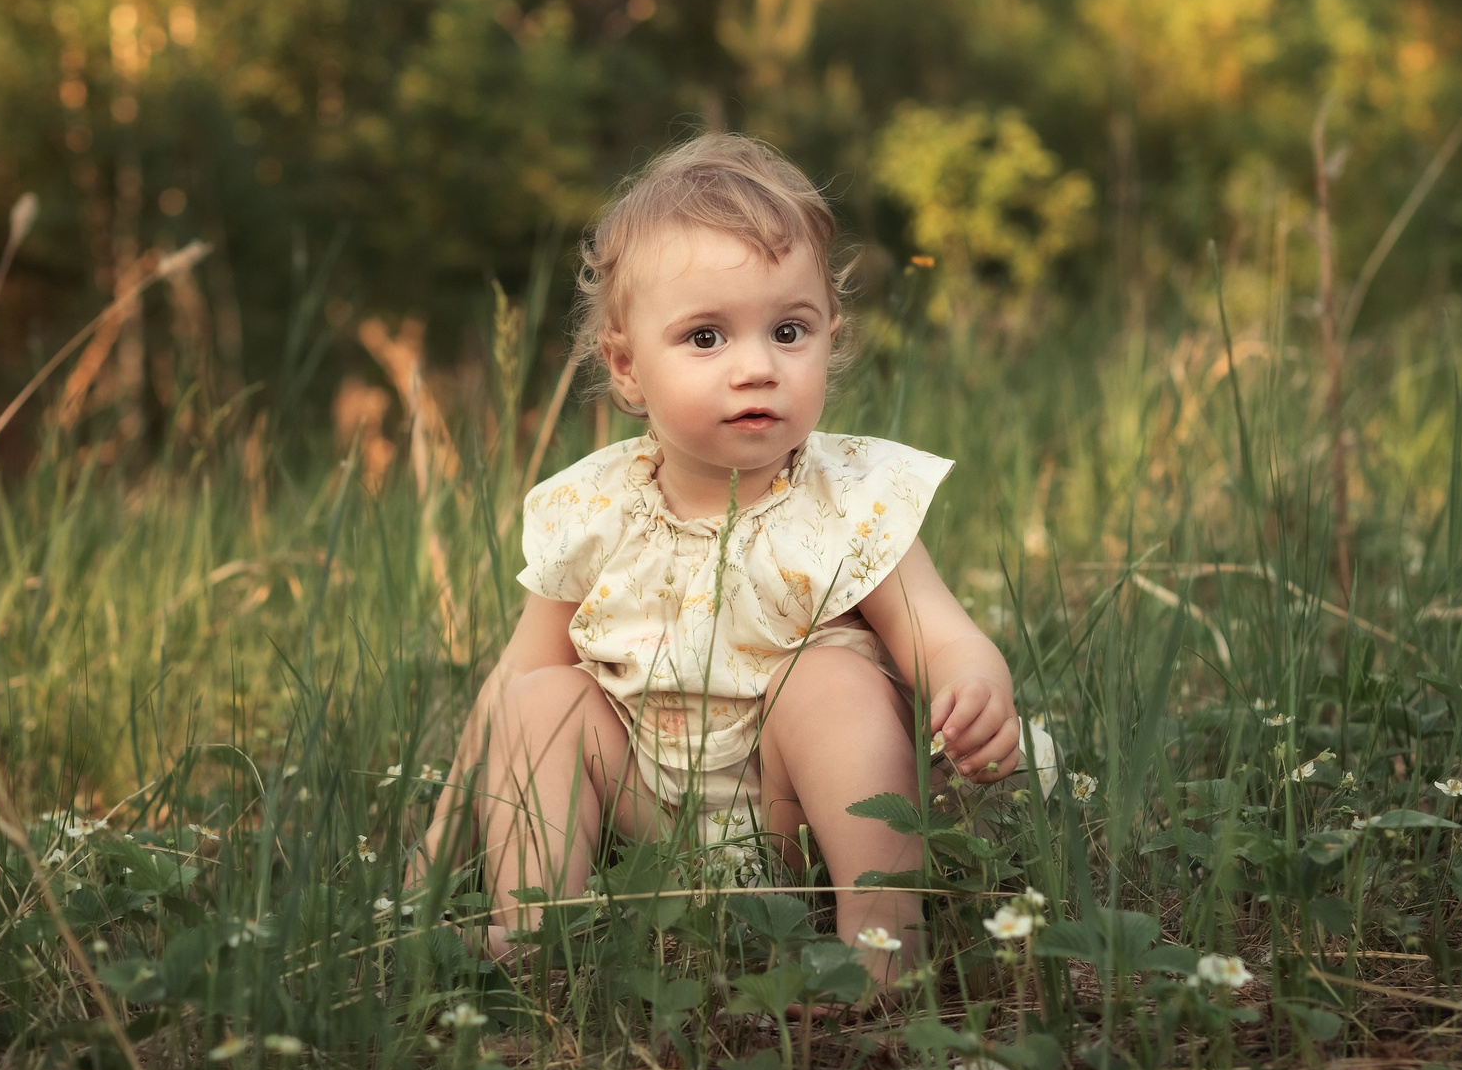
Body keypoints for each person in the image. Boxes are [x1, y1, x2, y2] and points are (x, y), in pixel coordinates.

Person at [419, 132, 1053, 986]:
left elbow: (940, 637)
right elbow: (508, 692)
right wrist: (433, 849)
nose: (757, 366)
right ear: (627, 366)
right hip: (661, 819)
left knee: (829, 681)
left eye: (788, 330)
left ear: (830, 335)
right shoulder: (591, 509)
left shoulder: (850, 498)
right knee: (542, 696)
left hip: (806, 811)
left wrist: (975, 683)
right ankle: (538, 931)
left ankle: (881, 940)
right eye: (707, 337)